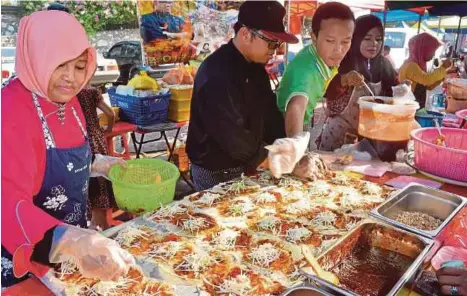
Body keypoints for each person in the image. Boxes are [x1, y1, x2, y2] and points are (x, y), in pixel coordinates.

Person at [1, 11, 133, 288]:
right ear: (36, 57)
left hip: (73, 248)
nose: (70, 79)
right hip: (25, 254)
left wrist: (98, 164)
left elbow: (58, 160)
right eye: (60, 65)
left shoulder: (68, 101)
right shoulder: (10, 111)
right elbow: (7, 202)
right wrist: (68, 241)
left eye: (79, 66)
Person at [186, 0, 298, 191]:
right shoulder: (217, 74)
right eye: (271, 42)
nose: (275, 50)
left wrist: (288, 146)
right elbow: (234, 138)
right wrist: (280, 161)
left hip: (248, 162)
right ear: (245, 34)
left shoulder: (256, 68)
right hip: (216, 169)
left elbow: (269, 114)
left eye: (277, 43)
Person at [317, 15, 399, 151]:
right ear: (356, 38)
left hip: (370, 135)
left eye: (378, 39)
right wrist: (344, 80)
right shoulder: (342, 61)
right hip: (338, 133)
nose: (374, 44)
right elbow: (325, 90)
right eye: (367, 38)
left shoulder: (384, 65)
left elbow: (392, 92)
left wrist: (402, 89)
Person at [276, 2, 355, 140]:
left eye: (345, 41)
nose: (339, 50)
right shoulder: (306, 69)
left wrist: (346, 78)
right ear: (314, 37)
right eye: (330, 41)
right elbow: (296, 108)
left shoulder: (320, 57)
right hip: (284, 129)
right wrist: (297, 151)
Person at [77, 86, 116, 230]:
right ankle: (101, 223)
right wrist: (109, 129)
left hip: (80, 143)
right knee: (101, 181)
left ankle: (96, 223)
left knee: (88, 184)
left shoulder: (69, 95)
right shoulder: (91, 92)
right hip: (97, 141)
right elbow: (110, 114)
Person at [399, 33, 452, 109]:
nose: (433, 55)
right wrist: (443, 68)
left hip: (416, 106)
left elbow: (428, 86)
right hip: (407, 107)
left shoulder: (419, 65)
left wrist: (440, 78)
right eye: (432, 51)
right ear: (423, 49)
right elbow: (426, 80)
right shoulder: (411, 66)